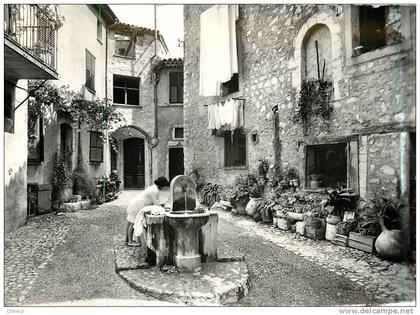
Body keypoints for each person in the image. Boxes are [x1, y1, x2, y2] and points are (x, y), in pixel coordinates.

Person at [126, 177, 170, 246]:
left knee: (130, 222)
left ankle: (127, 239)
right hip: (137, 206)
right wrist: (164, 208)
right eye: (165, 187)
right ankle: (130, 241)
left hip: (135, 203)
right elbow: (156, 204)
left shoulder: (153, 188)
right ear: (162, 186)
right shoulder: (154, 191)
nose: (165, 189)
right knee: (132, 223)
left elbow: (154, 201)